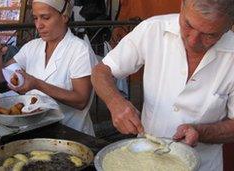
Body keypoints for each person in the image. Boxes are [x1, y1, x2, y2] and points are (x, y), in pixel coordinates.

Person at [91, 0, 234, 170]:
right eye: (188, 24)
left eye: (209, 35)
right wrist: (115, 102)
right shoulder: (153, 29)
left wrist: (200, 132)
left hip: (204, 165)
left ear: (228, 27)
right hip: (141, 159)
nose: (193, 40)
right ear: (182, 6)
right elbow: (102, 71)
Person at [0, 0, 97, 136]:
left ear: (64, 17)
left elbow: (81, 101)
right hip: (35, 131)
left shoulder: (80, 50)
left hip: (72, 133)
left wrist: (37, 84)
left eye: (45, 17)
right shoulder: (32, 47)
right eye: (35, 18)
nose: (39, 25)